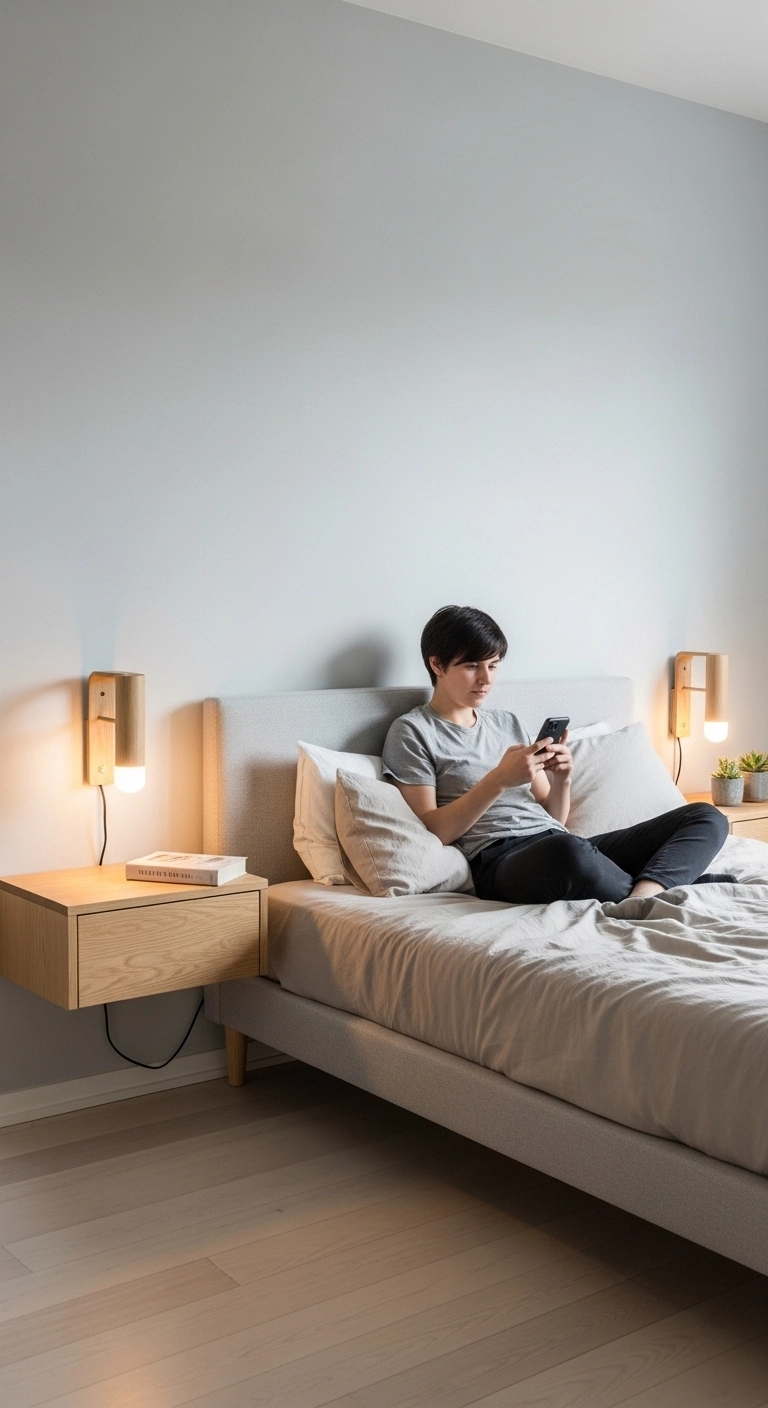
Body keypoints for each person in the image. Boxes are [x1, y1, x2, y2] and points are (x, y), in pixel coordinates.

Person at [382, 605, 732, 905]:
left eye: (494, 664)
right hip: (499, 859)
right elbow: (434, 831)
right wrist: (498, 780)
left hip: (558, 841)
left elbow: (555, 819)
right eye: (472, 666)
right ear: (437, 664)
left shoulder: (506, 723)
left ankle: (643, 896)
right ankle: (668, 884)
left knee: (706, 816)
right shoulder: (412, 732)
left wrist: (562, 779)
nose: (486, 678)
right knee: (570, 854)